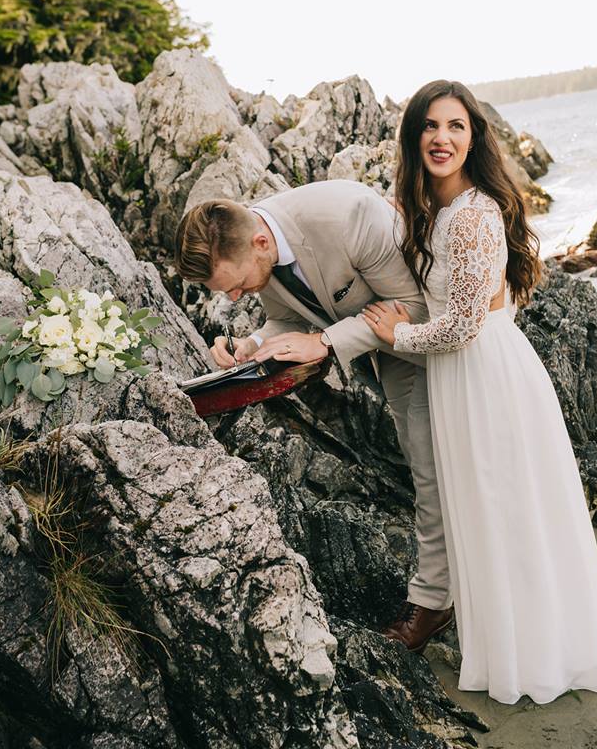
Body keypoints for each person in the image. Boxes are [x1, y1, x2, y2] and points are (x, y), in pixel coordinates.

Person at [361, 79, 597, 704]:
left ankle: (535, 656)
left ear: (474, 138)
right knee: (483, 511)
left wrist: (399, 335)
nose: (442, 138)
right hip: (463, 376)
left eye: (456, 126)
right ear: (413, 136)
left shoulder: (474, 212)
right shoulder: (434, 212)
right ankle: (507, 643)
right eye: (430, 126)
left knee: (507, 509)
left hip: (484, 373)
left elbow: (464, 323)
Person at [173, 179, 474, 650]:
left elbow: (414, 306)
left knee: (468, 472)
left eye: (235, 286)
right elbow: (289, 315)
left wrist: (326, 342)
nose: (234, 298)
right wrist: (251, 344)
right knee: (429, 474)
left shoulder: (349, 215)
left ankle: (458, 596)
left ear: (260, 242)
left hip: (448, 347)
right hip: (397, 363)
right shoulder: (260, 248)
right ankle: (439, 599)